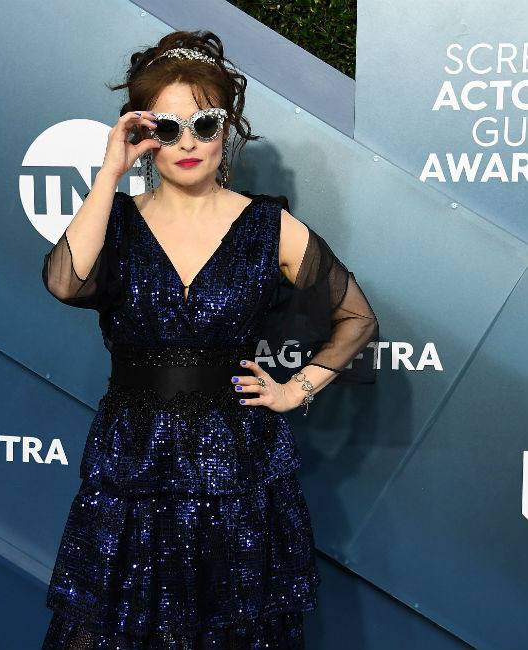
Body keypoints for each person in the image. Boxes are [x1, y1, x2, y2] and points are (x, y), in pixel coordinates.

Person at [40, 29, 379, 650]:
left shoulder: (267, 226)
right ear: (143, 134)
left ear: (229, 127)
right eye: (168, 128)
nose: (189, 143)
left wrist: (297, 390)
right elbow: (66, 283)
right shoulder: (116, 221)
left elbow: (357, 318)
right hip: (134, 465)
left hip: (236, 467)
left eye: (205, 123)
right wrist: (110, 171)